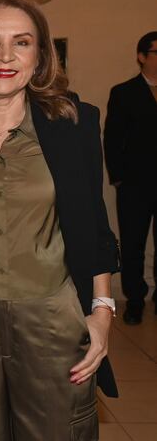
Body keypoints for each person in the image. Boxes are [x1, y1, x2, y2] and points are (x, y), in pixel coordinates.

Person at [0, 0, 119, 441]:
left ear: (39, 58)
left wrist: (102, 311)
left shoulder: (74, 126)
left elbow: (94, 223)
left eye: (21, 42)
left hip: (52, 319)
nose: (5, 56)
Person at [103, 31, 157, 325]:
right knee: (133, 243)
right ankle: (134, 300)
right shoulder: (123, 92)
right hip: (135, 184)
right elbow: (112, 138)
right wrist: (119, 177)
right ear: (142, 56)